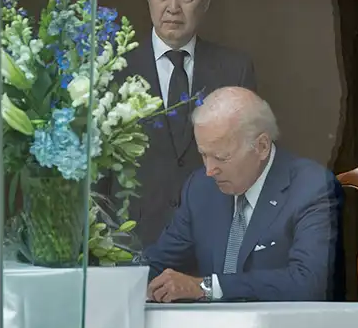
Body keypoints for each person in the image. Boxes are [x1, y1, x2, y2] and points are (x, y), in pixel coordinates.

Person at [145, 87, 344, 303]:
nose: (210, 170)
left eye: (221, 157)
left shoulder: (312, 187)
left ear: (262, 146)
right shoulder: (201, 187)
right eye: (204, 155)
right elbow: (159, 262)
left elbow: (309, 283)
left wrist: (206, 287)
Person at [117, 0, 257, 247]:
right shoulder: (113, 67)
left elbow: (249, 165)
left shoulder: (235, 70)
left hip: (210, 244)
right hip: (129, 245)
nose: (173, 7)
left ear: (206, 1)